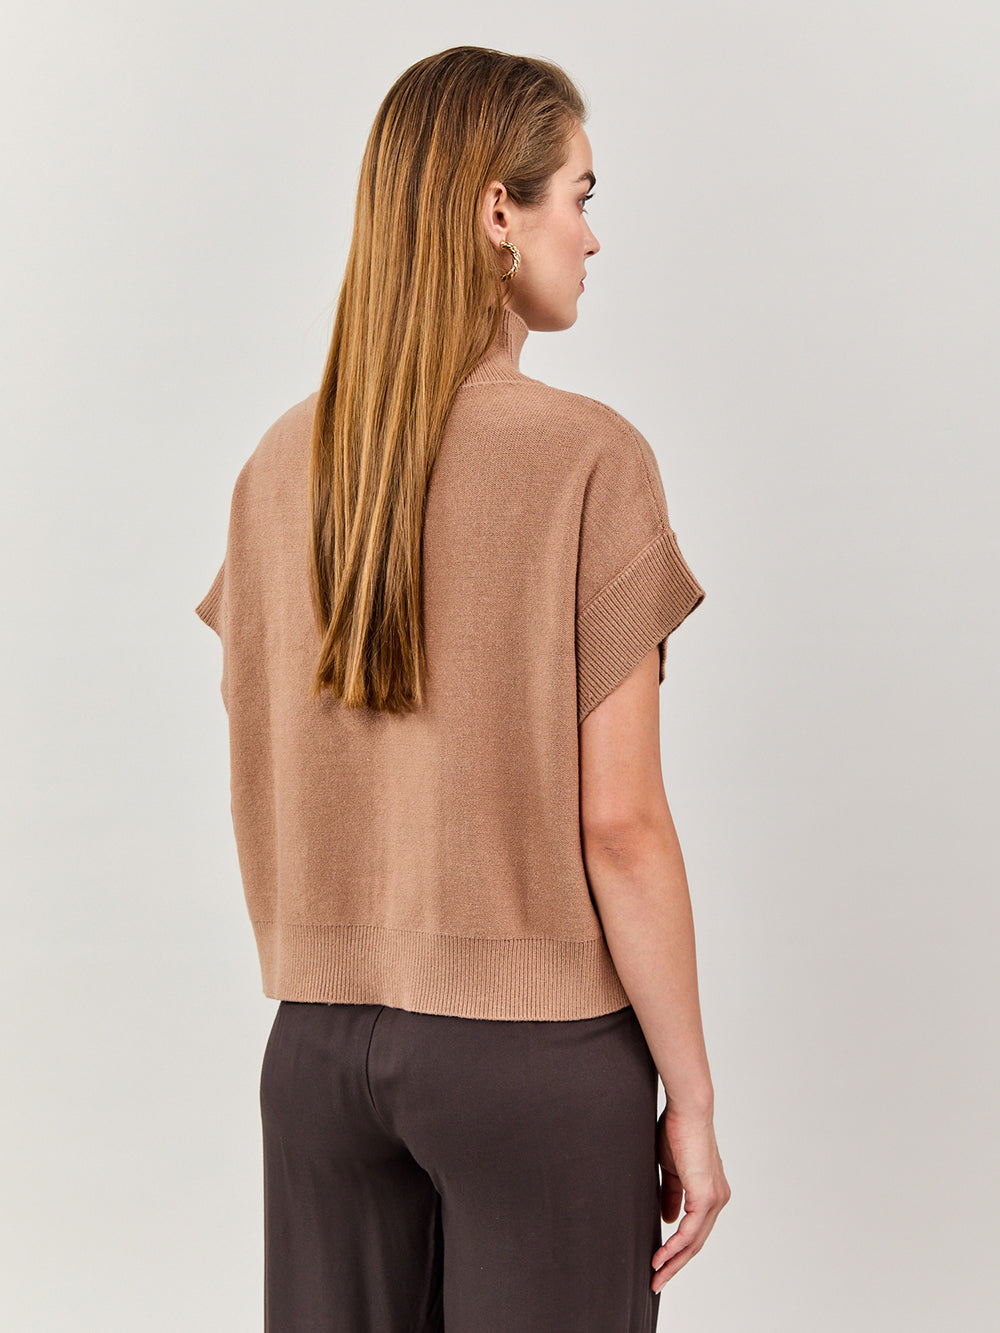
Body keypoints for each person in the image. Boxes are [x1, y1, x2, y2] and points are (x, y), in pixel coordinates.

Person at [195, 44, 730, 1333]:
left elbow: (269, 746)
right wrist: (693, 1101)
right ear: (500, 210)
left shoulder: (278, 467)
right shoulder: (589, 460)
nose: (591, 238)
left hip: (316, 1059)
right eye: (579, 196)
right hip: (532, 1061)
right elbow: (622, 825)